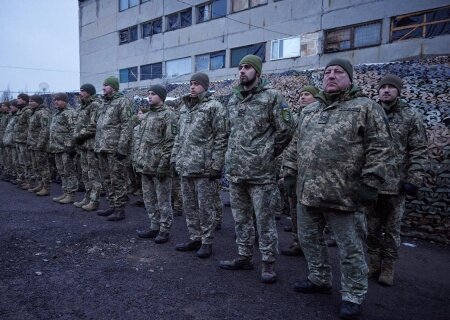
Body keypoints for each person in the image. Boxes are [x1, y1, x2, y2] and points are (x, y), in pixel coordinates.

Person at [282, 58, 393, 319]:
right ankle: (319, 278)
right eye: (327, 72)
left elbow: (380, 148)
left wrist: (371, 183)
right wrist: (289, 173)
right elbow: (294, 146)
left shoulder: (366, 108)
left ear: (350, 78)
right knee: (310, 240)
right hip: (308, 192)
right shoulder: (310, 111)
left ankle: (353, 294)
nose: (331, 76)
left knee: (350, 248)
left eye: (338, 72)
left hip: (345, 194)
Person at [219, 55, 293, 284]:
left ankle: (268, 262)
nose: (242, 71)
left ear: (257, 72)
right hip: (237, 171)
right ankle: (244, 255)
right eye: (240, 67)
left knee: (264, 220)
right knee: (240, 218)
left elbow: (287, 129)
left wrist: (267, 153)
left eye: (248, 67)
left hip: (261, 174)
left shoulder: (271, 97)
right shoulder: (233, 98)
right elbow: (227, 130)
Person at [366, 74, 428, 286]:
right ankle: (373, 263)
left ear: (398, 91)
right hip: (372, 184)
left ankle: (388, 267)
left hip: (396, 186)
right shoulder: (370, 113)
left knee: (392, 230)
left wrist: (414, 178)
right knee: (371, 228)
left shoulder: (411, 116)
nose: (386, 91)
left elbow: (419, 150)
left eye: (391, 87)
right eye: (383, 87)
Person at [171, 72, 229, 258]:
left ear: (205, 85)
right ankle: (195, 237)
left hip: (204, 168)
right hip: (185, 165)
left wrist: (216, 165)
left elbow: (221, 138)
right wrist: (174, 159)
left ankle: (207, 241)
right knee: (189, 205)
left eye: (196, 84)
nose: (192, 87)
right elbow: (179, 138)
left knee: (205, 207)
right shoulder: (184, 109)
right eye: (190, 84)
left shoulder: (214, 107)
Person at [135, 85, 177, 244]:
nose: (149, 97)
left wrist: (164, 164)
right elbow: (140, 140)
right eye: (148, 94)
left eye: (153, 94)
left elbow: (170, 141)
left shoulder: (169, 115)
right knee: (149, 199)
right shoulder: (146, 116)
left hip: (159, 165)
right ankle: (154, 226)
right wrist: (137, 160)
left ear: (161, 96)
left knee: (163, 200)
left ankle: (165, 229)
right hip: (145, 165)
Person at [280, 85, 318, 257]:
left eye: (307, 94)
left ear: (316, 98)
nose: (303, 97)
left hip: (315, 174)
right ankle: (297, 241)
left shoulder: (320, 116)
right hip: (295, 170)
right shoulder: (295, 118)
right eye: (301, 94)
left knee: (313, 214)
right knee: (294, 207)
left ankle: (312, 247)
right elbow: (290, 143)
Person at [95, 76, 132, 221]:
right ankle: (111, 205)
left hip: (114, 148)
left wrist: (122, 148)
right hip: (102, 147)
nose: (103, 87)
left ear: (114, 87)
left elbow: (126, 125)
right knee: (106, 179)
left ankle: (120, 209)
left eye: (106, 85)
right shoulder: (104, 103)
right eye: (103, 85)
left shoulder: (122, 102)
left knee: (117, 179)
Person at [73, 84, 103, 211]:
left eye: (83, 91)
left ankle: (94, 200)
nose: (80, 93)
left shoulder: (95, 105)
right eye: (80, 91)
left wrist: (79, 136)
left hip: (91, 145)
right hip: (83, 146)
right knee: (85, 173)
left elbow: (93, 125)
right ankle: (87, 197)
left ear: (89, 93)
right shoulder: (83, 106)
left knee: (93, 173)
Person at [49, 93, 78, 203]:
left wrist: (70, 146)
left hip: (66, 148)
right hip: (57, 147)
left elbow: (73, 130)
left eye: (59, 100)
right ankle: (65, 192)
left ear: (65, 101)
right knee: (62, 172)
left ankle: (71, 194)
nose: (56, 102)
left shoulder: (69, 113)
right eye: (55, 100)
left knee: (69, 172)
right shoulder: (57, 113)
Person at [26, 95, 52, 196]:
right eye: (29, 101)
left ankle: (46, 187)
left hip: (40, 145)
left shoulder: (43, 113)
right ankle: (40, 184)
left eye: (32, 101)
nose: (30, 103)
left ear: (38, 102)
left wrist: (40, 144)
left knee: (43, 167)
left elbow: (45, 129)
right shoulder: (34, 112)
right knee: (36, 166)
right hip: (33, 144)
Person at [13, 93, 33, 189]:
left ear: (25, 100)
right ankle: (24, 180)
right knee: (21, 162)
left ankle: (29, 182)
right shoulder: (20, 111)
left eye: (19, 98)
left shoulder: (28, 111)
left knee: (27, 162)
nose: (17, 100)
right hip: (18, 140)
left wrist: (27, 138)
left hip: (24, 141)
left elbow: (30, 127)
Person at [2, 100, 18, 182]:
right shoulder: (8, 116)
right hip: (6, 140)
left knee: (14, 159)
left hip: (13, 140)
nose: (2, 107)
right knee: (7, 158)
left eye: (5, 106)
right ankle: (9, 172)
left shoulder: (15, 116)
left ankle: (14, 174)